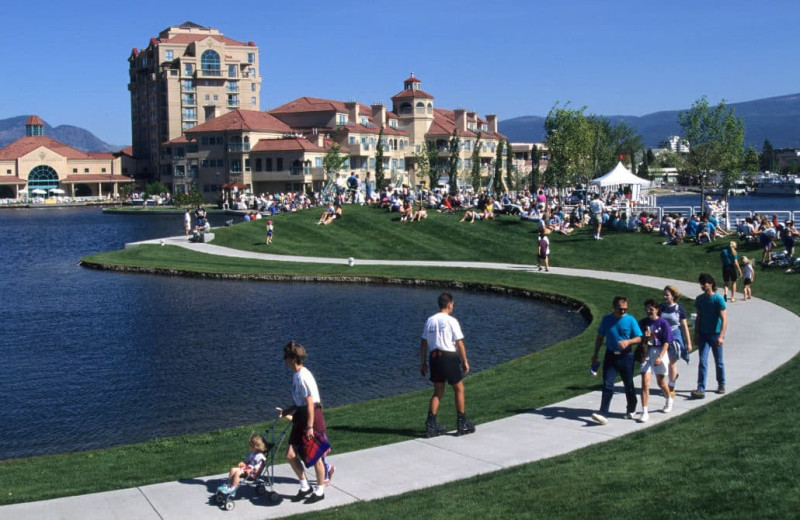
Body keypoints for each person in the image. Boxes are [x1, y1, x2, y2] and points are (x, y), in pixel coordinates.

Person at [277, 341, 333, 504]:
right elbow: (301, 402)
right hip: (301, 416)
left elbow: (310, 403)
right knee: (290, 455)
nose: (284, 359)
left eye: (286, 356)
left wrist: (310, 426)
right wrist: (287, 410)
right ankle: (304, 486)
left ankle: (320, 490)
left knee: (315, 456)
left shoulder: (303, 375)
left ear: (294, 358)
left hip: (311, 417)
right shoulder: (296, 375)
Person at [420, 293, 475, 437]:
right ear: (449, 304)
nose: (453, 307)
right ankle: (461, 423)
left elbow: (424, 343)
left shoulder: (430, 320)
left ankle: (430, 424)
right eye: (453, 305)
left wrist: (423, 363)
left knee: (438, 391)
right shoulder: (452, 321)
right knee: (459, 389)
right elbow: (459, 343)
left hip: (434, 357)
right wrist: (465, 361)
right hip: (448, 357)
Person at [590, 296, 643, 424]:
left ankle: (631, 408)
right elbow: (600, 337)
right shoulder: (607, 320)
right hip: (610, 356)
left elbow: (639, 338)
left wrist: (628, 341)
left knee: (628, 385)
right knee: (607, 384)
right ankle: (603, 413)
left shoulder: (630, 320)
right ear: (614, 307)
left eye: (625, 309)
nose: (623, 311)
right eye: (620, 309)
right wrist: (595, 354)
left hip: (626, 356)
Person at [637, 299, 674, 423]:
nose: (649, 311)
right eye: (647, 309)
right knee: (645, 383)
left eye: (651, 309)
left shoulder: (663, 323)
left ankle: (669, 398)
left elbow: (667, 342)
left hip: (659, 351)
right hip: (646, 352)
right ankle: (645, 412)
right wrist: (644, 337)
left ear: (657, 309)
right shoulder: (643, 322)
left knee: (660, 382)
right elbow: (637, 338)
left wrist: (660, 356)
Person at [692, 273, 728, 399]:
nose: (702, 286)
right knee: (702, 361)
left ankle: (721, 384)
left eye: (704, 283)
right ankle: (700, 388)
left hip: (715, 334)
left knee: (719, 362)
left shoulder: (718, 299)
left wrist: (721, 336)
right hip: (703, 335)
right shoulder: (700, 299)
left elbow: (724, 319)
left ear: (711, 284)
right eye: (701, 283)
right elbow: (699, 317)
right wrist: (696, 334)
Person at [659, 285, 693, 397]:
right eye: (664, 294)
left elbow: (684, 326)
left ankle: (671, 387)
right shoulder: (661, 308)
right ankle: (672, 378)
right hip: (663, 339)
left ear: (673, 296)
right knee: (664, 363)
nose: (665, 297)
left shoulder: (679, 309)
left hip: (674, 339)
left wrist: (688, 343)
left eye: (667, 295)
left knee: (672, 363)